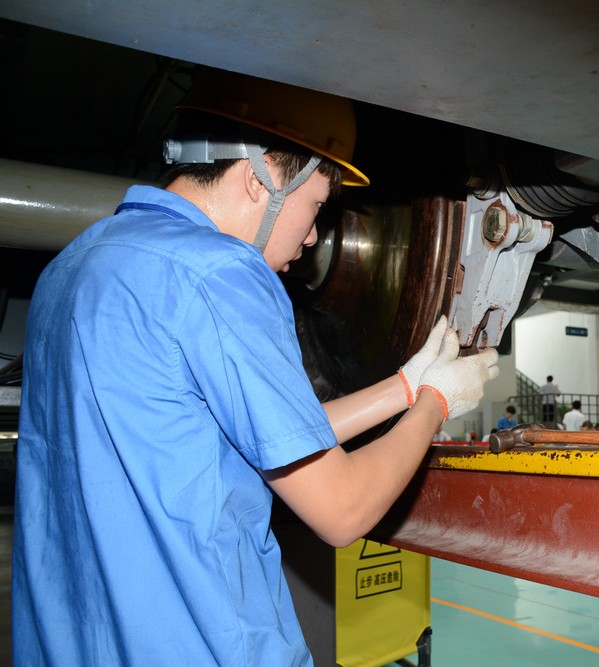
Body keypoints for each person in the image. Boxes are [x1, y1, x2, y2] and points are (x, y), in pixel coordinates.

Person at [12, 71, 500, 666]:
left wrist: (403, 388)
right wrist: (436, 404)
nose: (314, 235)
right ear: (259, 176)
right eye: (316, 205)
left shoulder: (72, 266)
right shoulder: (221, 272)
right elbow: (344, 509)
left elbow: (245, 435)